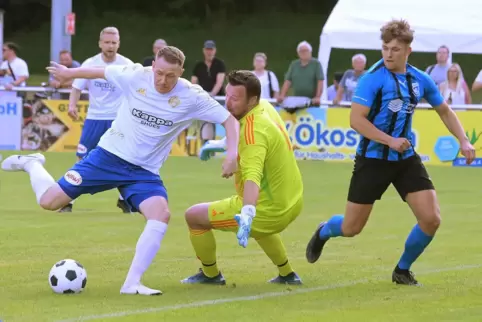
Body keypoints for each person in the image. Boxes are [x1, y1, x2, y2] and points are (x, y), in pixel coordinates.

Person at [1, 46, 240, 295]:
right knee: (49, 201)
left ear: (181, 71)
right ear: (153, 66)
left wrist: (232, 154)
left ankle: (131, 283)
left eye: (170, 75)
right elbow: (101, 71)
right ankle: (33, 164)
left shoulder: (192, 95)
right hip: (107, 158)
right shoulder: (136, 75)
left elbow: (229, 120)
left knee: (160, 214)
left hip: (143, 172)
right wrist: (69, 73)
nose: (162, 80)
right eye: (158, 73)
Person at [305, 19, 476, 286]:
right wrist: (389, 140)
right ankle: (325, 230)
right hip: (372, 159)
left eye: (395, 49)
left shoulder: (420, 79)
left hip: (405, 159)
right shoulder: (372, 79)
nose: (388, 53)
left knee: (431, 220)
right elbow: (356, 121)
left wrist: (464, 140)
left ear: (408, 49)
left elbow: (444, 110)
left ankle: (402, 270)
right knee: (352, 228)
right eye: (385, 47)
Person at [181, 70, 303, 286]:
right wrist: (221, 144)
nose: (228, 103)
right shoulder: (263, 106)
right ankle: (287, 274)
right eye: (227, 95)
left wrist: (247, 213)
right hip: (292, 200)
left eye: (235, 99)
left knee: (194, 217)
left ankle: (210, 275)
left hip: (269, 210)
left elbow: (252, 178)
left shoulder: (253, 133)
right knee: (262, 227)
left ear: (252, 99)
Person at [64, 26, 134, 213]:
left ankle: (124, 199)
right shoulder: (90, 63)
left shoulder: (126, 64)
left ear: (119, 44)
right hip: (95, 118)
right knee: (82, 159)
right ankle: (67, 199)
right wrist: (72, 105)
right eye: (107, 42)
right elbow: (77, 87)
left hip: (118, 120)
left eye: (114, 42)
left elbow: (136, 90)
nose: (110, 46)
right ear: (100, 43)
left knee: (125, 158)